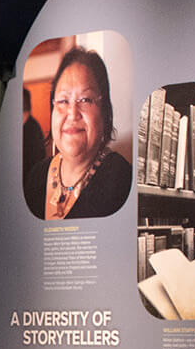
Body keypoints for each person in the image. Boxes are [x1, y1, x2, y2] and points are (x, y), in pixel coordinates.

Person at [24, 45, 132, 220]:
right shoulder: (37, 176)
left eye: (85, 100)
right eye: (63, 101)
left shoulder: (120, 178)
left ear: (104, 111)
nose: (72, 113)